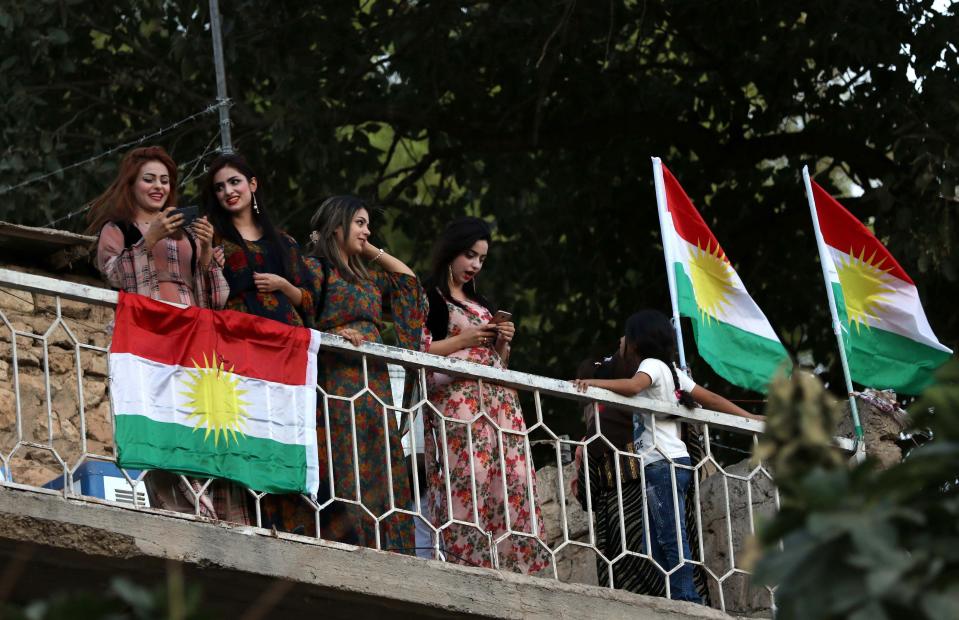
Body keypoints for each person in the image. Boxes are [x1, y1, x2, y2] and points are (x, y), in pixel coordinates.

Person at [86, 145, 249, 523]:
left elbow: (217, 299)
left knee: (196, 420)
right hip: (148, 340)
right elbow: (114, 276)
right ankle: (174, 511)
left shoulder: (186, 234)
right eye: (149, 179)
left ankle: (210, 510)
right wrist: (148, 240)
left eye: (165, 180)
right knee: (159, 421)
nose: (158, 187)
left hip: (191, 341)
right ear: (133, 183)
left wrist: (207, 251)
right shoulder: (118, 229)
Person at [573, 309, 762, 603]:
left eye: (625, 337)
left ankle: (685, 596)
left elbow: (634, 386)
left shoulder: (651, 366)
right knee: (660, 536)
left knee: (670, 534)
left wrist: (595, 384)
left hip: (662, 463)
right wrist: (749, 417)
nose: (620, 342)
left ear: (635, 342)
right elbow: (710, 397)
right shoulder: (671, 372)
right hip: (663, 464)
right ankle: (673, 593)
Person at [420, 216, 550, 574]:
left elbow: (497, 360)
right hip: (458, 403)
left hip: (499, 403)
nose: (475, 265)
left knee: (514, 480)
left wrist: (502, 342)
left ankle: (511, 566)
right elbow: (416, 351)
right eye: (469, 255)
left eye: (481, 259)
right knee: (471, 476)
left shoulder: (482, 302)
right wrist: (465, 339)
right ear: (451, 251)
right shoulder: (429, 295)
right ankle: (465, 563)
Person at [302, 195, 425, 553]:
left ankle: (387, 547)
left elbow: (408, 283)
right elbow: (301, 317)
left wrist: (367, 247)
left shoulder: (367, 277)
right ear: (337, 225)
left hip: (374, 384)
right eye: (360, 223)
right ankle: (345, 543)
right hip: (337, 380)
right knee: (344, 462)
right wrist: (332, 334)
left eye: (368, 224)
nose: (367, 230)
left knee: (380, 460)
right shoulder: (313, 269)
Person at [200, 153, 315, 532]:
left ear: (252, 185)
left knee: (285, 426)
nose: (227, 192)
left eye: (234, 182)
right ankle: (250, 516)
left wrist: (284, 286)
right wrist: (206, 258)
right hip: (239, 346)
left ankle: (295, 522)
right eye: (219, 187)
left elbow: (312, 300)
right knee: (247, 426)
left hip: (286, 346)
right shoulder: (213, 238)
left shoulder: (285, 242)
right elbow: (205, 292)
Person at [573, 349, 711, 602]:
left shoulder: (594, 434)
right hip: (671, 489)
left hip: (621, 521)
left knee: (636, 590)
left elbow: (587, 495)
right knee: (677, 550)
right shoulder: (661, 409)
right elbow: (695, 457)